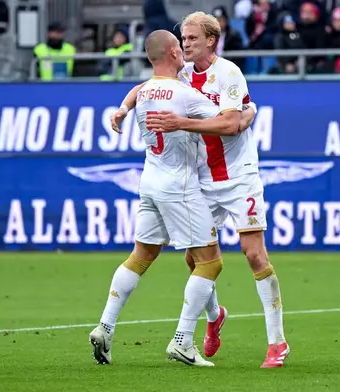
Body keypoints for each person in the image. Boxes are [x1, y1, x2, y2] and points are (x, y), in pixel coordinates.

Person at [111, 11, 290, 368]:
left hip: (239, 176)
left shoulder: (228, 73)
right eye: (183, 39)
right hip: (202, 179)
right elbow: (141, 87)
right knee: (196, 259)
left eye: (192, 38)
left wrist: (182, 122)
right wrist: (124, 108)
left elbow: (230, 124)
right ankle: (214, 316)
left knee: (253, 254)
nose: (185, 44)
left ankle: (277, 343)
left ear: (211, 40)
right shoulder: (182, 74)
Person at [89, 29, 240, 368]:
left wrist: (123, 109)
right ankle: (183, 340)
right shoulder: (184, 94)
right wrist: (247, 113)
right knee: (210, 262)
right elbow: (227, 123)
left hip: (151, 181)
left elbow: (138, 89)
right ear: (173, 53)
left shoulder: (145, 92)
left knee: (141, 256)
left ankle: (105, 326)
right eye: (180, 46)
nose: (185, 48)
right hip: (180, 185)